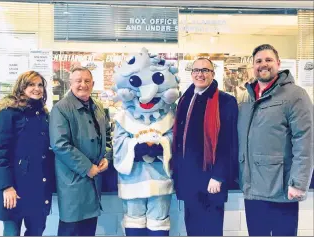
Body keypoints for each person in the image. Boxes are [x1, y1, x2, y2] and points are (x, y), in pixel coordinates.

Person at [238, 44, 314, 236]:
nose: (263, 64)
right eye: (259, 61)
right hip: (253, 190)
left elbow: (305, 140)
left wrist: (299, 183)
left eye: (268, 60)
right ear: (253, 66)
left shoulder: (295, 95)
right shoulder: (246, 98)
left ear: (278, 64)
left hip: (281, 189)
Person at [112, 48, 180, 236]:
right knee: (134, 219)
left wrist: (162, 145)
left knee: (159, 221)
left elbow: (176, 139)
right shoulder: (123, 117)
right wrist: (136, 147)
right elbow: (118, 143)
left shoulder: (170, 116)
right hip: (133, 177)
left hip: (160, 178)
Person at [172, 58, 239, 236]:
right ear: (191, 73)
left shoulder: (225, 101)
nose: (200, 74)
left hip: (211, 180)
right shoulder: (185, 99)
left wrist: (219, 175)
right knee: (192, 228)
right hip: (189, 178)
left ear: (213, 74)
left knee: (211, 229)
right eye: (196, 70)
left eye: (205, 70)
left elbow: (229, 142)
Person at [0, 71, 55, 236]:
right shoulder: (9, 113)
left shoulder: (44, 115)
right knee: (12, 232)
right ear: (21, 87)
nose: (37, 89)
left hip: (38, 186)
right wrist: (7, 186)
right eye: (31, 84)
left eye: (40, 85)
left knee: (37, 230)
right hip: (14, 188)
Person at [49, 67, 113, 236]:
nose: (83, 85)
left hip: (94, 181)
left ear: (93, 84)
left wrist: (107, 157)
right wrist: (87, 168)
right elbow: (60, 144)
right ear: (70, 84)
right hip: (73, 182)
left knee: (88, 230)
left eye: (87, 81)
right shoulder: (61, 108)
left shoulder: (98, 107)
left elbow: (107, 138)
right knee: (71, 229)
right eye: (78, 81)